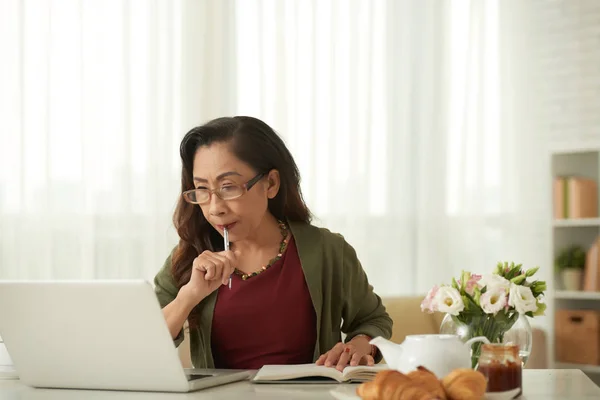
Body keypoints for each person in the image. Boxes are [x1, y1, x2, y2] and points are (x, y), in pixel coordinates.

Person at [154, 116, 392, 372]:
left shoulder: (327, 250)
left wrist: (358, 345)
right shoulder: (190, 256)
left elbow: (373, 319)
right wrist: (188, 296)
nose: (215, 208)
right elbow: (141, 344)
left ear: (271, 183)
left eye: (228, 187)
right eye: (202, 190)